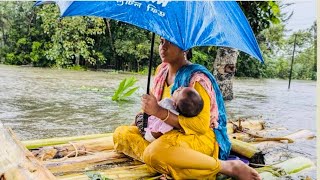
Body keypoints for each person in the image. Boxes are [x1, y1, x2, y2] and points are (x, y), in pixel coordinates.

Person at [113, 37, 261, 180]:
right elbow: (151, 109)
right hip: (164, 135)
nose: (162, 47)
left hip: (197, 138)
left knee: (154, 153)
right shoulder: (161, 71)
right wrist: (140, 122)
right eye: (161, 42)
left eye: (169, 42)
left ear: (185, 47)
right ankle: (173, 164)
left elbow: (201, 126)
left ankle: (226, 167)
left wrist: (159, 112)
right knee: (121, 134)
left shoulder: (197, 79)